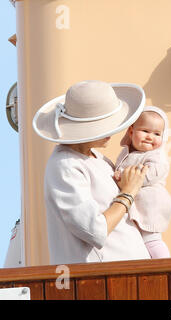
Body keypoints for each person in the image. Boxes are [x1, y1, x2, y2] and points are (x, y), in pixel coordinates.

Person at [32, 80, 152, 265]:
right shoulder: (65, 165)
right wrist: (128, 192)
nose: (113, 130)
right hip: (103, 282)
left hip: (129, 276)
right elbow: (95, 231)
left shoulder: (96, 158)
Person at [115, 106, 171, 259]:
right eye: (145, 131)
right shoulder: (127, 153)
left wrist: (121, 178)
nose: (150, 137)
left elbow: (150, 174)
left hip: (151, 202)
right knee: (137, 240)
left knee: (151, 238)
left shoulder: (156, 156)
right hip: (136, 201)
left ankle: (165, 264)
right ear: (131, 131)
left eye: (156, 134)